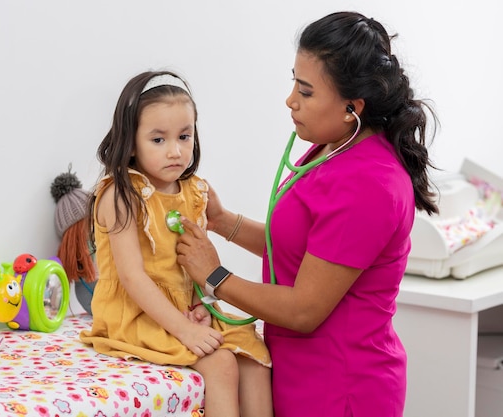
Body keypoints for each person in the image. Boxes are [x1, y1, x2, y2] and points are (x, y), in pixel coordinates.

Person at [175, 11, 439, 417]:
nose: (290, 100)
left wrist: (215, 277)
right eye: (293, 82)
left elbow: (304, 310)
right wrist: (224, 221)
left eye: (306, 91)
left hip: (341, 389)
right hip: (301, 376)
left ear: (352, 106)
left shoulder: (368, 184)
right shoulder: (334, 146)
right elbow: (301, 250)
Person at [79, 70, 272, 417]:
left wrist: (202, 302)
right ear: (131, 141)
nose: (175, 151)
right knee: (221, 364)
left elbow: (190, 264)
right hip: (134, 311)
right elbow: (133, 278)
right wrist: (183, 328)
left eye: (184, 136)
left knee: (254, 354)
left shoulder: (194, 192)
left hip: (181, 307)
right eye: (158, 140)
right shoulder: (122, 195)